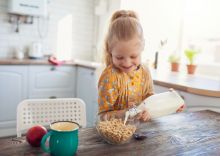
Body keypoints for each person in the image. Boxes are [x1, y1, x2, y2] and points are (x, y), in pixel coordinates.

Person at [98, 10, 153, 122]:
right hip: (116, 135)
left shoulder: (145, 72)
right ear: (110, 50)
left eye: (133, 56)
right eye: (119, 58)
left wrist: (166, 103)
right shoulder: (110, 77)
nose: (127, 63)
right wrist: (126, 113)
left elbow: (150, 100)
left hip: (142, 132)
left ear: (142, 48)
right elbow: (103, 117)